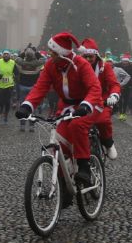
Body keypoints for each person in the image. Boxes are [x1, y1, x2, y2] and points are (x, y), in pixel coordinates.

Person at [14, 32, 102, 187]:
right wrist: (27, 105)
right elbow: (40, 87)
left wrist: (86, 105)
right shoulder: (50, 65)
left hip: (89, 104)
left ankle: (84, 168)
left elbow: (95, 88)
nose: (49, 54)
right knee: (59, 144)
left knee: (77, 125)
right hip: (67, 105)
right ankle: (64, 187)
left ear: (62, 54)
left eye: (53, 52)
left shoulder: (81, 64)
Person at [79, 38, 121, 159]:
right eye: (85, 57)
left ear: (96, 55)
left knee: (102, 120)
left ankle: (108, 143)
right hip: (84, 100)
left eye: (90, 57)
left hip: (102, 100)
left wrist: (114, 95)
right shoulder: (78, 67)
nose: (88, 60)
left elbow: (114, 84)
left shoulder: (105, 67)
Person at [14, 47, 44, 132]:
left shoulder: (22, 64)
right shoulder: (37, 64)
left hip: (23, 86)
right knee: (32, 107)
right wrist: (36, 52)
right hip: (33, 88)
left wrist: (24, 52)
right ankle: (31, 126)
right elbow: (43, 59)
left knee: (23, 106)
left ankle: (22, 125)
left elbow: (17, 59)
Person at [0, 50, 16, 123]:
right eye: (4, 54)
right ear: (3, 55)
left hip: (9, 85)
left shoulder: (13, 62)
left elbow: (16, 72)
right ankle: (1, 107)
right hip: (0, 84)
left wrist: (16, 78)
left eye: (7, 54)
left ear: (9, 56)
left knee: (7, 101)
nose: (6, 55)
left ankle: (6, 114)